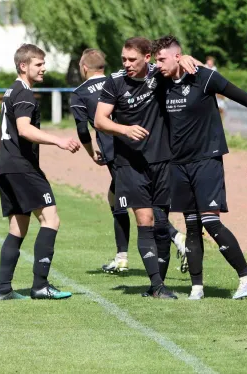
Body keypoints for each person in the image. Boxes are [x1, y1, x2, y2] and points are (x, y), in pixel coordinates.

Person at [151, 35, 247, 300]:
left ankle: (246, 277)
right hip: (177, 163)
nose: (157, 64)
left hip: (207, 159)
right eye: (155, 60)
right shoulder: (159, 80)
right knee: (191, 223)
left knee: (209, 219)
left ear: (177, 55)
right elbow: (134, 71)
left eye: (162, 59)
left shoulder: (204, 77)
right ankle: (197, 288)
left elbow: (241, 96)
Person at [95, 37, 199, 299]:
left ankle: (158, 285)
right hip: (129, 163)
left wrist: (186, 59)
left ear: (147, 58)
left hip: (163, 161)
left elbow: (185, 69)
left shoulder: (159, 75)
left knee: (162, 224)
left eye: (132, 59)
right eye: (124, 59)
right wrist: (125, 129)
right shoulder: (115, 82)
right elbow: (99, 120)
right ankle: (157, 285)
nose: (127, 64)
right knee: (145, 220)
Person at [69, 48, 187, 275]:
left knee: (138, 203)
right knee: (116, 199)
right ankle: (121, 256)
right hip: (143, 146)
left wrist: (90, 151)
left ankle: (176, 238)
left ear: (84, 68)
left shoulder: (80, 92)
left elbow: (82, 129)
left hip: (118, 153)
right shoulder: (118, 80)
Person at [0, 44, 81, 301]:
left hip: (5, 166)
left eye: (43, 64)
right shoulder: (24, 94)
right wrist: (59, 140)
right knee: (51, 219)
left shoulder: (11, 90)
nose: (44, 68)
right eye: (38, 64)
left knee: (17, 227)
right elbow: (24, 129)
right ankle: (40, 286)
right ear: (24, 66)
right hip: (22, 167)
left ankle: (4, 289)